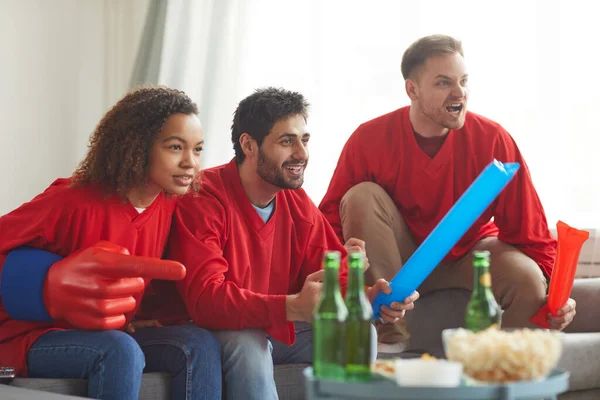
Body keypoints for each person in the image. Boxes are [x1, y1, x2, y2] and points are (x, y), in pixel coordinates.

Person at [318, 34, 578, 345]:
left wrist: (555, 299)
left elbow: (531, 234)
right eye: (444, 83)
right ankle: (391, 346)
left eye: (463, 81)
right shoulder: (368, 138)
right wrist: (343, 279)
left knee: (528, 279)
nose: (460, 92)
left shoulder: (494, 138)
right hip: (398, 260)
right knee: (361, 196)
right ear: (412, 90)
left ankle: (504, 374)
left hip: (467, 253)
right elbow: (329, 223)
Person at [165, 87, 419, 400]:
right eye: (287, 141)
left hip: (275, 324)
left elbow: (331, 280)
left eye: (305, 140)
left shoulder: (294, 200)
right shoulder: (203, 198)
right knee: (250, 343)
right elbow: (207, 301)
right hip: (215, 330)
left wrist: (368, 298)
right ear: (249, 145)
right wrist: (292, 306)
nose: (302, 153)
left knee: (355, 330)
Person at [0, 86, 222, 400]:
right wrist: (44, 282)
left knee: (197, 344)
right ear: (138, 146)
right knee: (120, 351)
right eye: (175, 147)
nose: (190, 162)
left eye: (197, 149)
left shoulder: (168, 204)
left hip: (106, 333)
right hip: (30, 337)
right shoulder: (72, 201)